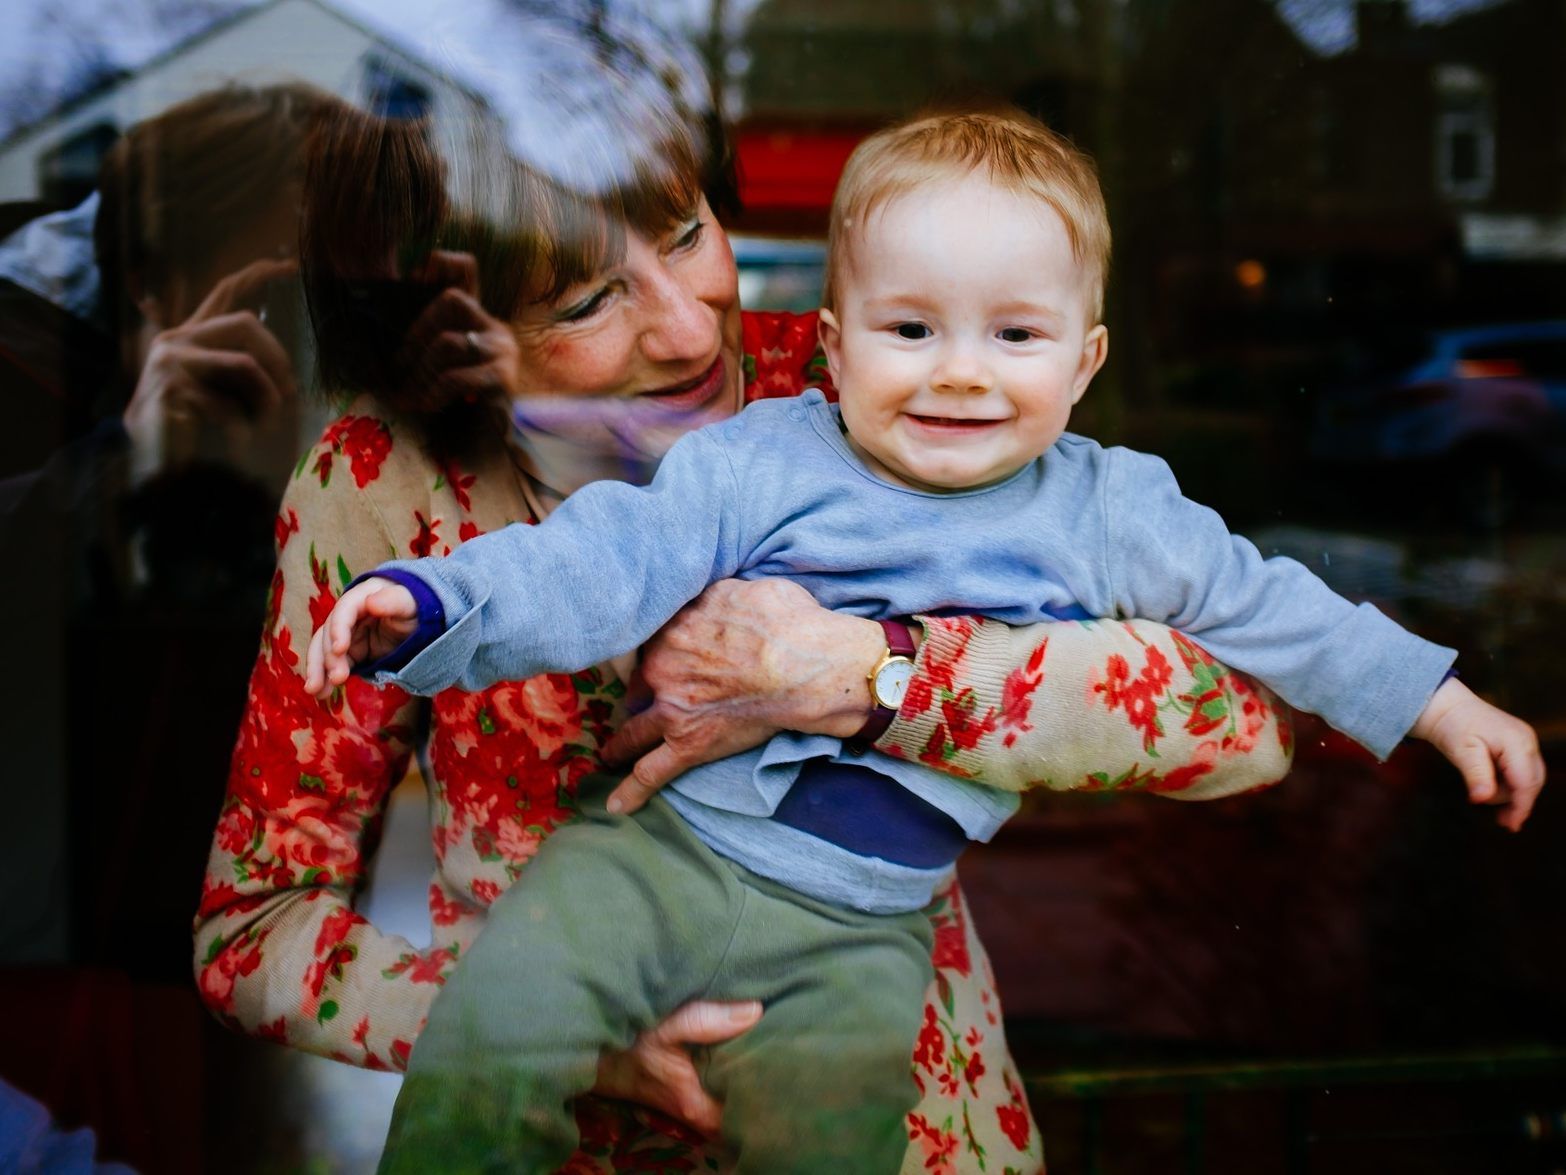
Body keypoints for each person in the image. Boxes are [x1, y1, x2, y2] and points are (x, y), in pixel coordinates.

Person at [309, 107, 1545, 1172]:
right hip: (656, 862)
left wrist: (1437, 700)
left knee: (831, 1130)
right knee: (499, 1026)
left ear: (1086, 362)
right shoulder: (768, 448)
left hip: (861, 921)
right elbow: (600, 560)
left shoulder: (1111, 510)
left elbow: (1270, 627)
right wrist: (431, 606)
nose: (960, 373)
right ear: (836, 346)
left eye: (1015, 336)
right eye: (911, 333)